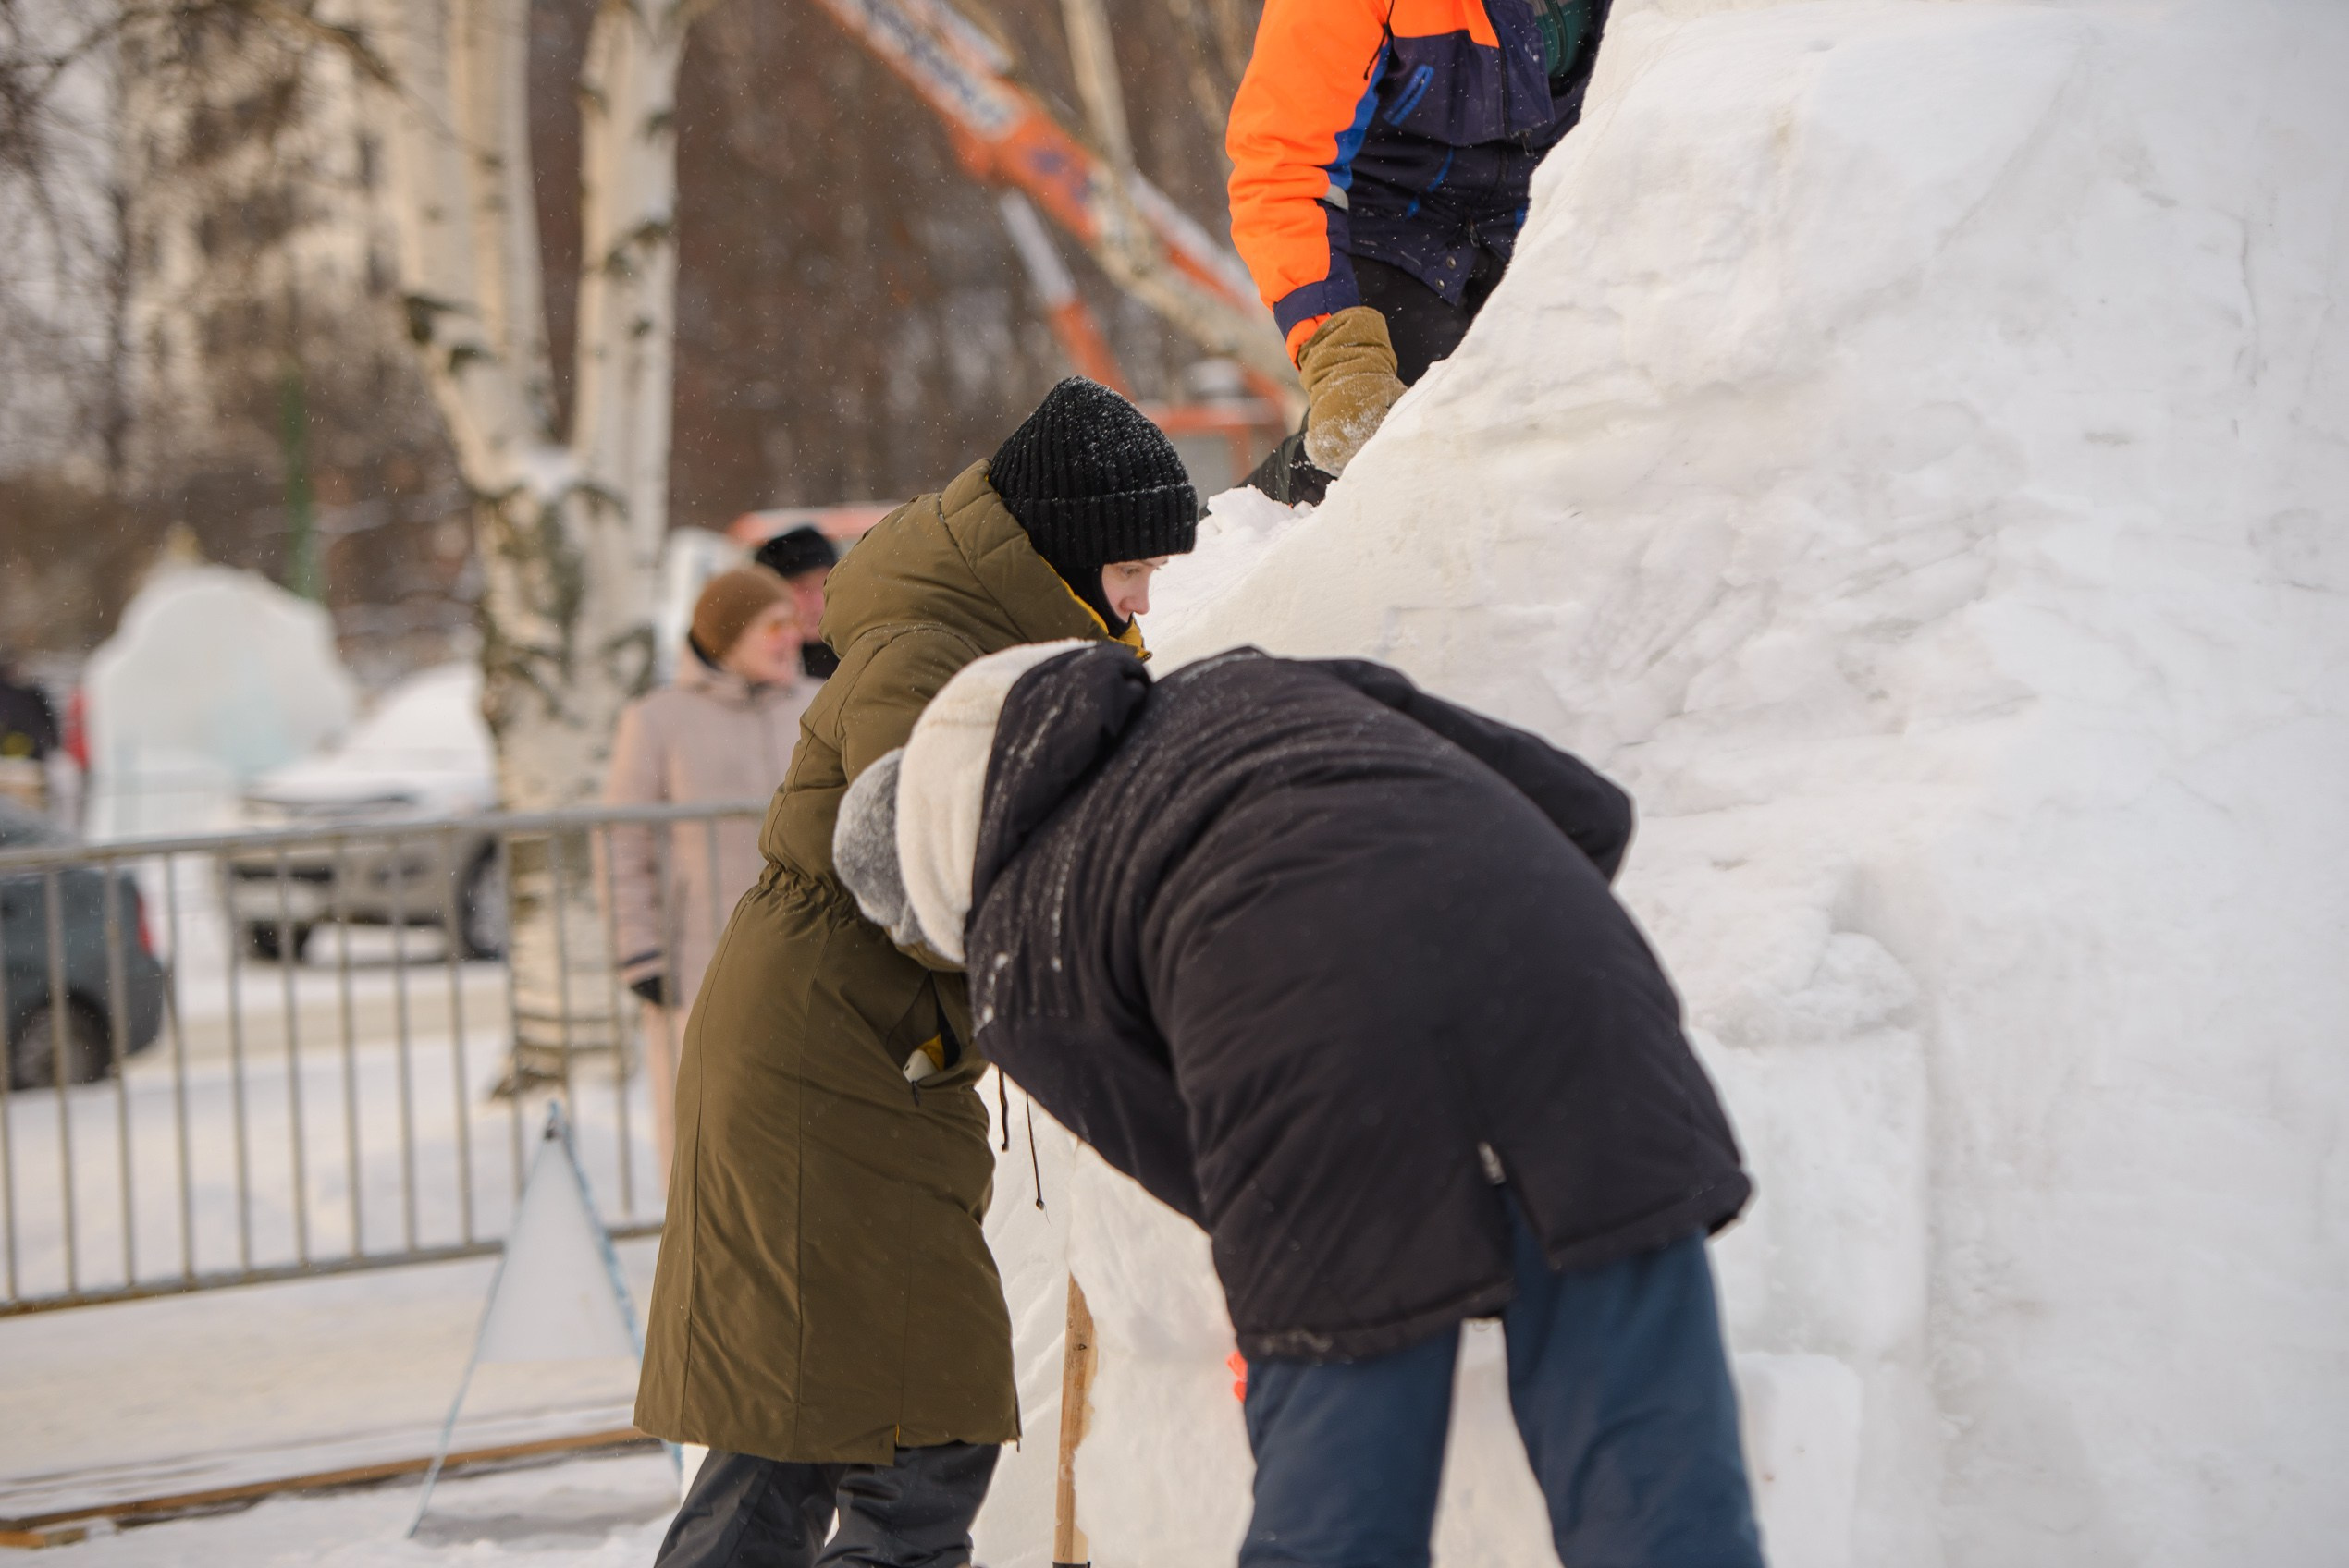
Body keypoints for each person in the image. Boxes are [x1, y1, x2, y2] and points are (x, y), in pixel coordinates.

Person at [834, 640, 1764, 1568]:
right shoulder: (1250, 679)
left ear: (930, 886)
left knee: (1337, 1488)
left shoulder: (1012, 955)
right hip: (1572, 991)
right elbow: (1585, 810)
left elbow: (1207, 1162)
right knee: (1647, 1445)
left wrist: (1314, 1279)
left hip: (1323, 1079)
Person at [636, 378, 1199, 1568]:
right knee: (915, 1430)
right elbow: (907, 875)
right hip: (832, 1054)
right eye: (1132, 567)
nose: (1146, 597)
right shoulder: (928, 653)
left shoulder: (993, 634)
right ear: (1063, 551)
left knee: (800, 1422)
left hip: (856, 1048)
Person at [1229, 0, 1613, 504]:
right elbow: (1282, 163)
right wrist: (1341, 356)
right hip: (1389, 227)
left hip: (1545, 218)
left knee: (1590, 439)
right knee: (1376, 455)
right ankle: (1213, 551)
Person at [601, 566, 816, 1184]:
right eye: (773, 626)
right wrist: (638, 952)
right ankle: (702, 1265)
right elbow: (624, 842)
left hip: (807, 956)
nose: (791, 639)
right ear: (727, 635)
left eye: (793, 625)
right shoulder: (658, 720)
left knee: (806, 1118)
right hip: (699, 958)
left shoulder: (819, 704)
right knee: (704, 1124)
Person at [752, 524, 842, 680]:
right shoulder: (750, 666)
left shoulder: (865, 651)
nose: (816, 601)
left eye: (824, 583)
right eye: (801, 587)